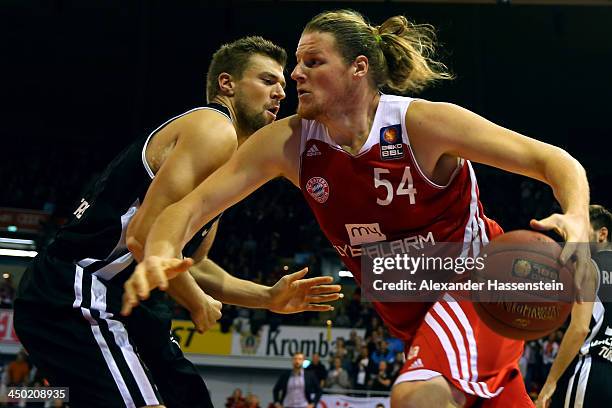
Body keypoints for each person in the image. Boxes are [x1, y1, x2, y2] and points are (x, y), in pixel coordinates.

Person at [126, 9, 594, 408]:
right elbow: (188, 208)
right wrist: (164, 248)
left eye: (313, 61)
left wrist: (575, 216)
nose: (295, 74)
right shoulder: (288, 144)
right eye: (298, 63)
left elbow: (554, 160)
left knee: (414, 394)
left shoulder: (422, 124)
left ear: (358, 69)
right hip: (407, 312)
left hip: (479, 280)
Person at [13, 36, 341, 408]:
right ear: (227, 84)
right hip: (80, 289)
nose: (281, 93)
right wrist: (196, 301)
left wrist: (266, 297)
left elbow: (191, 265)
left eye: (282, 85)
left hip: (127, 301)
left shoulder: (232, 159)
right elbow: (143, 236)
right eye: (267, 81)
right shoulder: (212, 128)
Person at [537, 204, 612, 408]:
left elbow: (580, 328)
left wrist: (551, 382)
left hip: (589, 373)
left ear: (602, 234)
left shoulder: (589, 267)